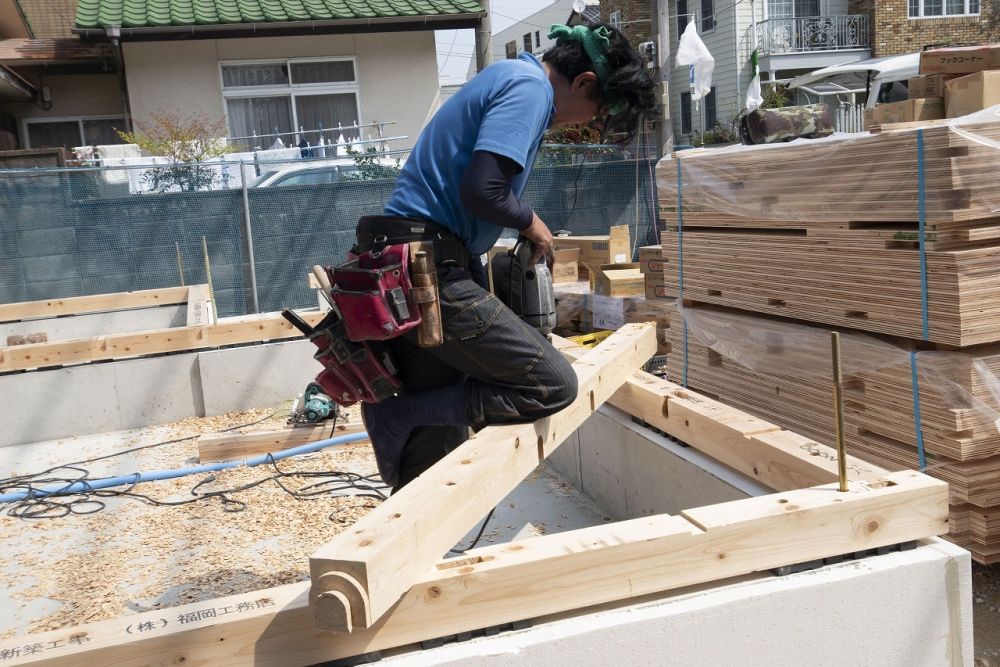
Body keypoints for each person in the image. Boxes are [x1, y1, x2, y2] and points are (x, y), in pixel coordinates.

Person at [357, 21, 656, 491]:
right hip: (426, 262)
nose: (585, 123)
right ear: (584, 83)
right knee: (554, 384)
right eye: (594, 111)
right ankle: (395, 416)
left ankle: (415, 533)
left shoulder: (509, 77)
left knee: (439, 427)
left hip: (412, 254)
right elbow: (483, 190)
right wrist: (533, 224)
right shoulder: (530, 88)